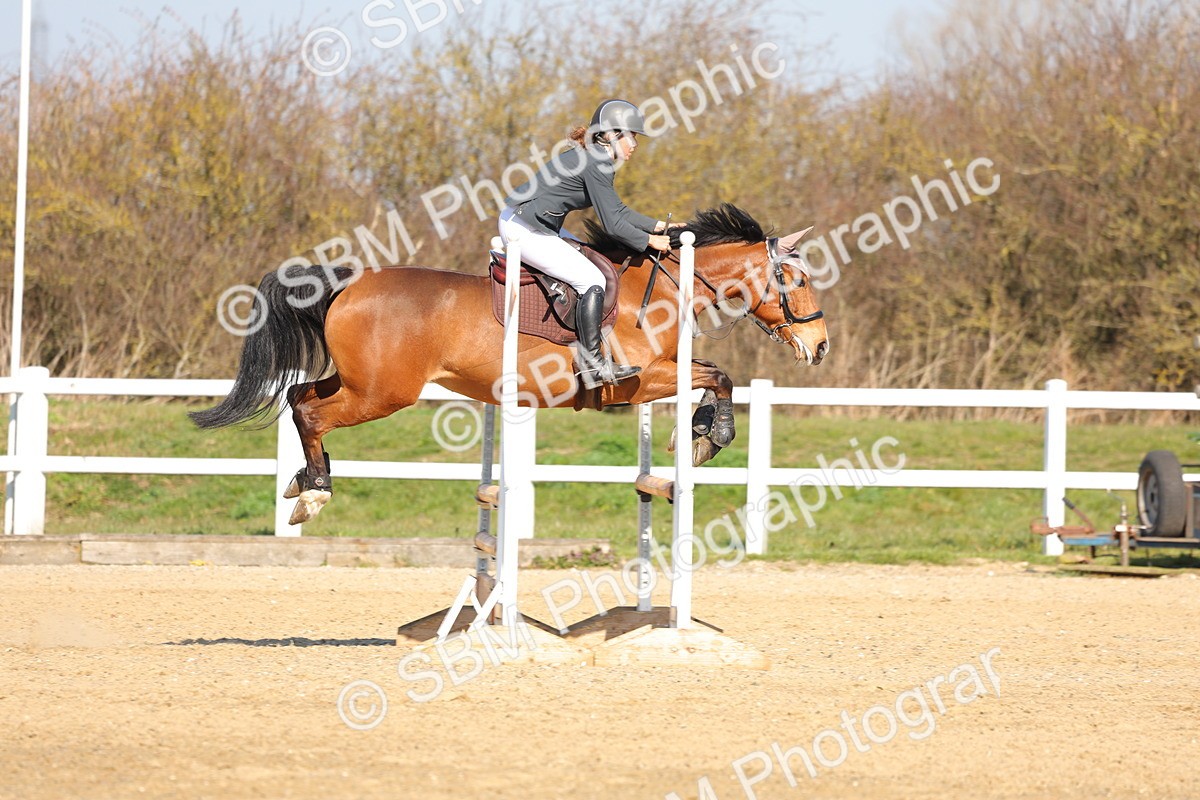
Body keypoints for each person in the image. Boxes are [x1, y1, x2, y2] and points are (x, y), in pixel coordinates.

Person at [499, 99, 682, 388]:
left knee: (592, 260)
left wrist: (660, 226)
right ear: (610, 134)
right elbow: (612, 224)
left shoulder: (595, 156)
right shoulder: (598, 161)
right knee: (592, 279)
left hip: (533, 223)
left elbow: (617, 210)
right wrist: (649, 241)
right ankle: (592, 364)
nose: (635, 143)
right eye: (631, 135)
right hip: (524, 228)